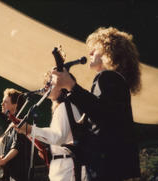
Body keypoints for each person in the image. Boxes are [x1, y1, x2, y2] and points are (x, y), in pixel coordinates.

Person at [51, 27, 141, 180]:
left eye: (95, 49)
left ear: (110, 52)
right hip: (115, 168)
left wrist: (71, 85)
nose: (90, 53)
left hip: (109, 170)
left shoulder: (107, 77)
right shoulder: (116, 81)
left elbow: (101, 114)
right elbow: (107, 122)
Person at [15, 74, 88, 181]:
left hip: (69, 168)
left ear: (60, 85)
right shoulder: (62, 107)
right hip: (63, 168)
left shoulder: (66, 106)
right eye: (45, 84)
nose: (45, 87)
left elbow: (58, 137)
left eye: (49, 83)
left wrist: (31, 129)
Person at [0, 88, 31, 181]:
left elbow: (17, 147)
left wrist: (4, 160)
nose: (2, 104)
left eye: (5, 102)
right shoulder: (11, 124)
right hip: (12, 174)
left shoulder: (20, 122)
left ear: (15, 105)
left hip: (19, 175)